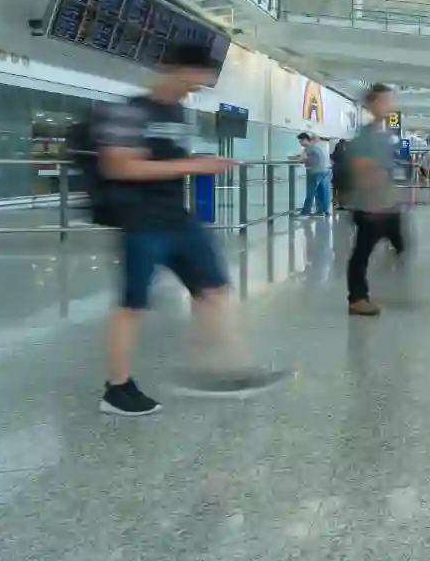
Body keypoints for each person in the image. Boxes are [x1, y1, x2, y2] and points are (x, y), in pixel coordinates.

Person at [96, 40, 283, 416]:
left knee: (214, 288)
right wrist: (194, 166)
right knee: (132, 304)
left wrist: (199, 160)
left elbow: (171, 160)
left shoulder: (182, 113)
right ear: (175, 69)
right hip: (141, 221)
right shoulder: (130, 112)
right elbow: (119, 166)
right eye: (196, 78)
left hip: (178, 218)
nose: (197, 86)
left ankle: (232, 369)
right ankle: (117, 389)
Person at [342, 83, 406, 317]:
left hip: (385, 203)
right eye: (385, 101)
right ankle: (357, 298)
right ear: (372, 104)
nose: (390, 105)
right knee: (362, 250)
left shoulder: (384, 134)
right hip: (370, 204)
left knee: (400, 241)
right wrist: (374, 200)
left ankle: (395, 276)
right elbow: (361, 169)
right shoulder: (365, 137)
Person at [296, 131, 330, 216]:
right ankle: (323, 211)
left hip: (314, 172)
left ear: (306, 139)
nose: (300, 143)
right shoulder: (318, 147)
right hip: (324, 171)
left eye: (301, 141)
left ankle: (305, 212)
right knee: (322, 192)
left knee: (310, 192)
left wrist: (298, 158)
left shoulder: (309, 147)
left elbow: (301, 159)